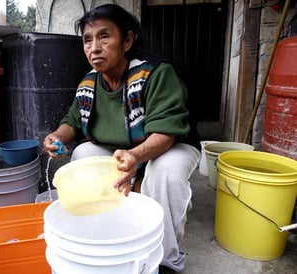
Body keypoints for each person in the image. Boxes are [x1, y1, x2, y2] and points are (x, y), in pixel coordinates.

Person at [43, 4, 200, 273]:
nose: (94, 47)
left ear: (127, 40)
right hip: (123, 152)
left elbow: (167, 133)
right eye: (87, 40)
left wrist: (136, 157)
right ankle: (112, 229)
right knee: (82, 156)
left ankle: (165, 259)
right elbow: (72, 121)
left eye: (105, 36)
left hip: (170, 146)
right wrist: (57, 136)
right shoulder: (89, 84)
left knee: (165, 172)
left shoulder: (154, 73)